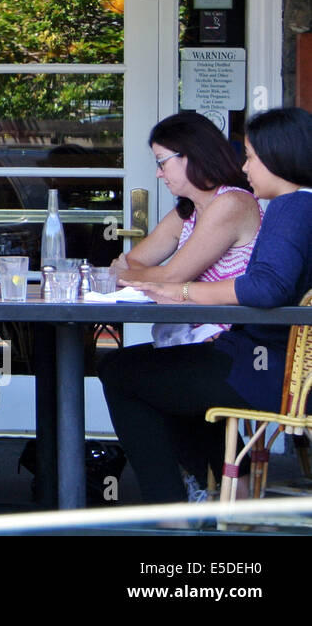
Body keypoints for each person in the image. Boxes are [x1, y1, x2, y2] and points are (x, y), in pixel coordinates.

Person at [100, 107, 312, 506]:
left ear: (279, 157)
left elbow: (266, 288)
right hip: (269, 361)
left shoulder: (293, 207)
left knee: (127, 373)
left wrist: (183, 292)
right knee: (135, 369)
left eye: (251, 156)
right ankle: (207, 491)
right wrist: (173, 286)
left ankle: (171, 507)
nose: (244, 166)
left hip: (268, 370)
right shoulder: (297, 206)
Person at [110, 112, 261, 347]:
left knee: (122, 369)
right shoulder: (189, 211)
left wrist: (120, 275)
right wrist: (152, 280)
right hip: (193, 336)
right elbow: (136, 261)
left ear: (191, 155)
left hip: (232, 342)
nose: (158, 173)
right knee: (117, 366)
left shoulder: (232, 203)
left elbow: (172, 276)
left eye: (162, 162)